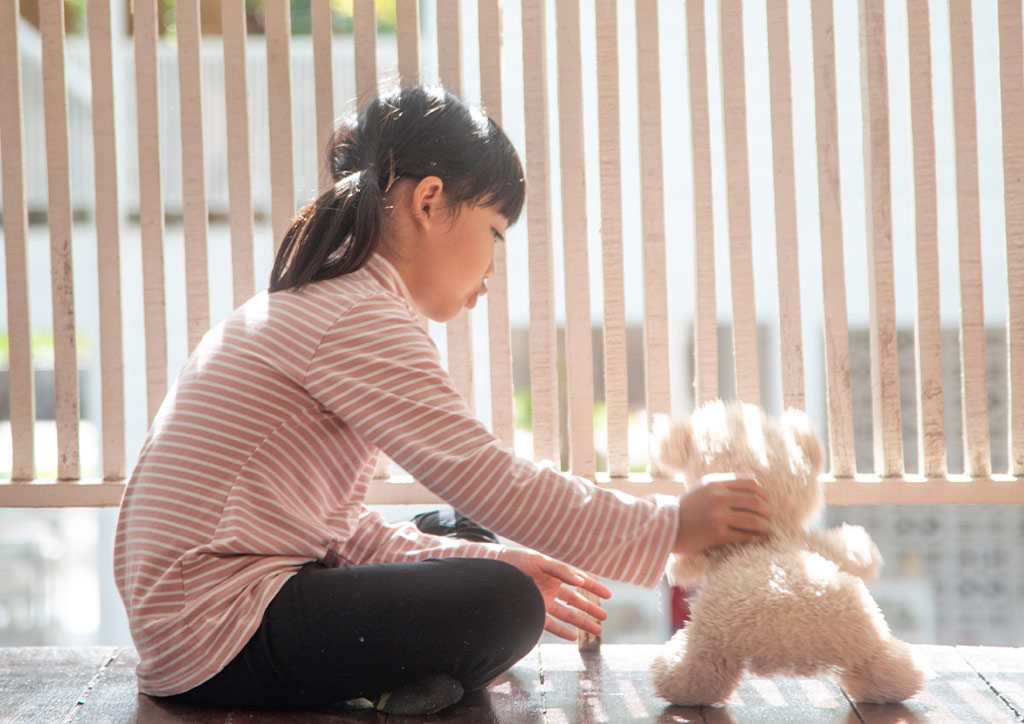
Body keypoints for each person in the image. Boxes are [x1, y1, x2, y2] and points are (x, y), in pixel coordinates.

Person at [113, 85, 771, 715]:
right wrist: (669, 526)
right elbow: (488, 476)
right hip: (220, 634)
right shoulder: (358, 317)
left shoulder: (328, 304)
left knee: (464, 536)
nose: (491, 267)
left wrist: (487, 556)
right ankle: (405, 680)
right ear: (430, 202)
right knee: (503, 601)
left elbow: (344, 535)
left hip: (208, 623)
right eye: (494, 230)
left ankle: (408, 681)